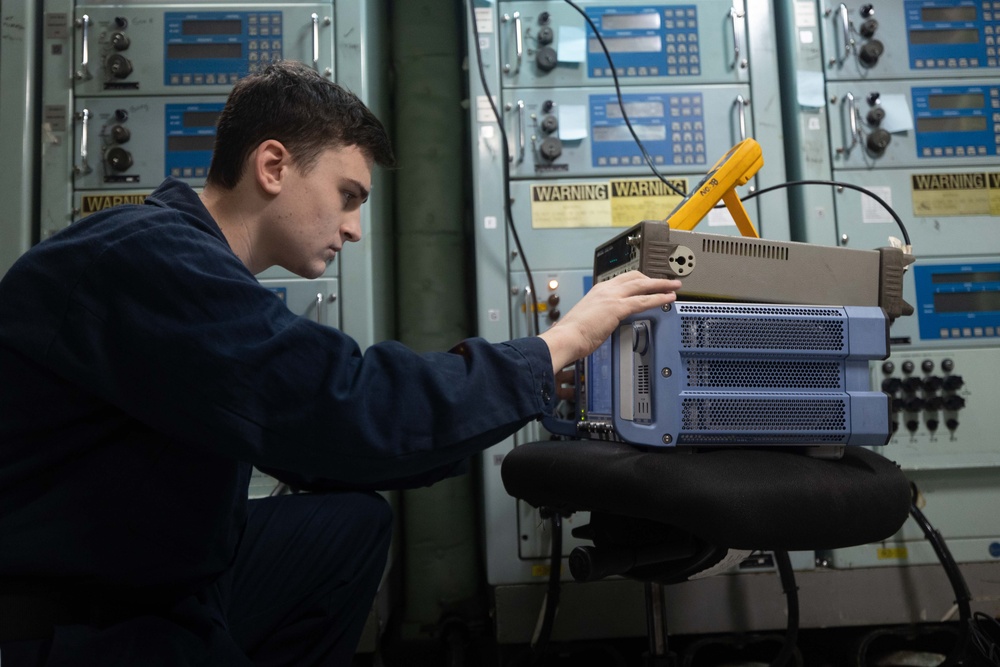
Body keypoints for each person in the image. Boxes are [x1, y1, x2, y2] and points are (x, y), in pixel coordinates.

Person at [0, 60, 681, 666]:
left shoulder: (180, 257)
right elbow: (349, 409)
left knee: (349, 527)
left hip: (145, 562)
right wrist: (560, 340)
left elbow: (329, 429)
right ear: (273, 166)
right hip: (72, 615)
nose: (354, 227)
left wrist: (521, 380)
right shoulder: (148, 261)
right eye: (348, 195)